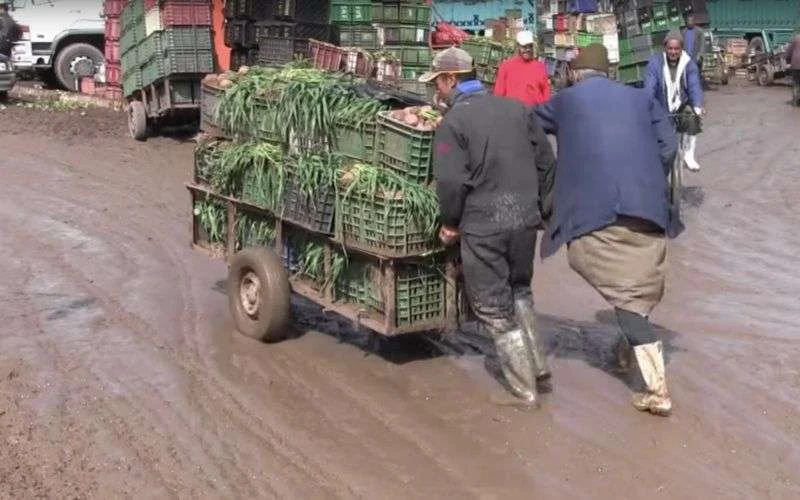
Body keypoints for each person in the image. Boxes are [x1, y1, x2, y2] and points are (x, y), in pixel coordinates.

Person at [534, 44, 679, 417]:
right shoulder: (642, 98)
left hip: (595, 211)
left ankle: (657, 390)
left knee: (626, 293)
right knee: (637, 285)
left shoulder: (568, 100)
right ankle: (629, 346)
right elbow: (668, 146)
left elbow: (529, 123)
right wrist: (643, 175)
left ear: (575, 72)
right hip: (648, 209)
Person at [420, 47, 556, 405]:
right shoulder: (516, 109)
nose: (437, 91)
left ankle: (524, 390)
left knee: (494, 307)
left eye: (438, 83)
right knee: (520, 289)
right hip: (524, 219)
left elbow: (450, 182)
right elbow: (546, 162)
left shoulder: (454, 123)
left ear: (451, 79)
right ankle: (540, 370)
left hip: (483, 224)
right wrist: (542, 209)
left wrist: (450, 224)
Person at [644, 29, 705, 172]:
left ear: (681, 49)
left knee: (691, 118)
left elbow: (694, 85)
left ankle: (688, 154)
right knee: (657, 137)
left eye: (676, 49)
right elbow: (650, 86)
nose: (673, 52)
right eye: (670, 48)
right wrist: (647, 104)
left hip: (680, 105)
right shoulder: (655, 62)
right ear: (665, 48)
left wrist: (697, 105)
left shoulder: (688, 63)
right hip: (661, 106)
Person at [493, 30, 551, 106]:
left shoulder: (540, 67)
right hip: (514, 113)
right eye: (524, 47)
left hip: (535, 113)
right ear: (518, 46)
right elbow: (499, 94)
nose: (528, 49)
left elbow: (545, 93)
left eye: (530, 46)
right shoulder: (506, 67)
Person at [785, 33, 800, 105]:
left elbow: (789, 52)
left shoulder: (795, 38)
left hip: (796, 64)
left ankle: (795, 101)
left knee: (795, 83)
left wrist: (787, 61)